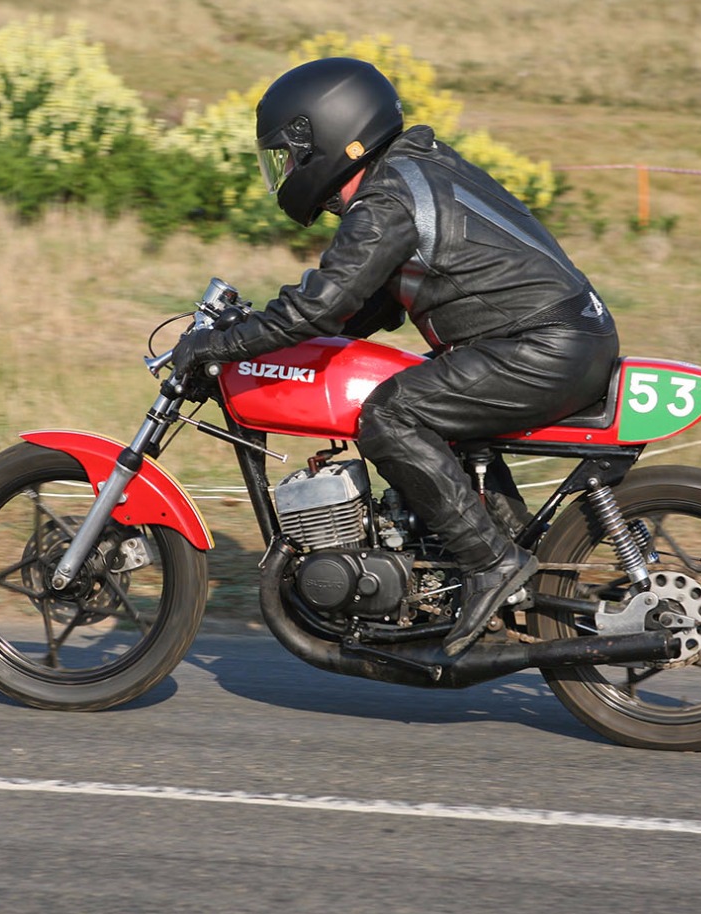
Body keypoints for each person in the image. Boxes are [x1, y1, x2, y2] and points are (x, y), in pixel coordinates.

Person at [170, 57, 618, 657]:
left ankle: (492, 564)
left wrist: (217, 343)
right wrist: (263, 331)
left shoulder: (386, 200)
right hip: (562, 337)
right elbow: (364, 305)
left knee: (390, 415)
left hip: (539, 345)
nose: (287, 172)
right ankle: (507, 562)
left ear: (325, 136)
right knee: (426, 408)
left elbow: (321, 306)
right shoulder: (416, 168)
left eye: (289, 157)